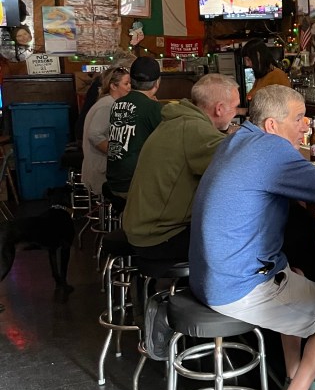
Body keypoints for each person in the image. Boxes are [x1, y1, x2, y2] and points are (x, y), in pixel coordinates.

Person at [189, 84, 315, 390]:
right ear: (272, 125)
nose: (306, 126)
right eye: (299, 119)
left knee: (296, 271)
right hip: (236, 285)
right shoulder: (272, 150)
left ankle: (293, 372)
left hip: (209, 276)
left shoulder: (238, 138)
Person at [122, 74, 240, 263]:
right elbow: (240, 165)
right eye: (235, 107)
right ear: (219, 109)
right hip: (158, 237)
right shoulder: (195, 130)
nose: (236, 112)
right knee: (243, 241)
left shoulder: (179, 119)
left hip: (141, 227)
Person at [106, 57, 163, 198]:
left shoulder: (117, 103)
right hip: (134, 185)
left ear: (130, 81)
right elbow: (168, 143)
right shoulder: (152, 107)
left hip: (113, 179)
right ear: (157, 83)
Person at [81, 66, 132, 198]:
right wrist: (118, 154)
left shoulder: (107, 102)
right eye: (126, 84)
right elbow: (94, 135)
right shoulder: (108, 105)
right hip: (101, 170)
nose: (129, 87)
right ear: (113, 86)